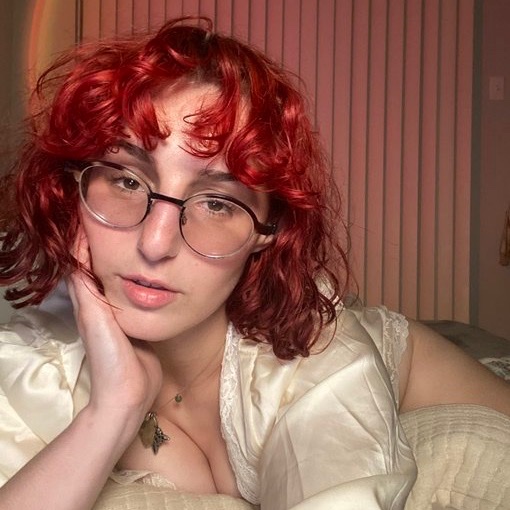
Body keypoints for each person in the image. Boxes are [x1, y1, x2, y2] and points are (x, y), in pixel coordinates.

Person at [0, 17, 508, 510]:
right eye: (127, 181)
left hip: (406, 363)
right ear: (72, 188)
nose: (155, 243)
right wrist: (114, 409)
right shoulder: (40, 364)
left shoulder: (311, 354)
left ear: (267, 230)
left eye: (217, 203)